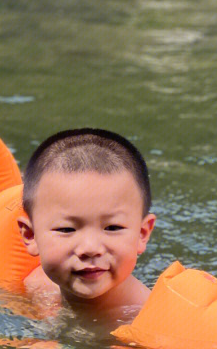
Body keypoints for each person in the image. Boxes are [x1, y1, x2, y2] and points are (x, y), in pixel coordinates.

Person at [16, 128, 156, 317]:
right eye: (66, 229)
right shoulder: (36, 287)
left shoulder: (145, 320)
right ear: (31, 236)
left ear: (142, 234)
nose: (90, 248)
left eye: (113, 227)